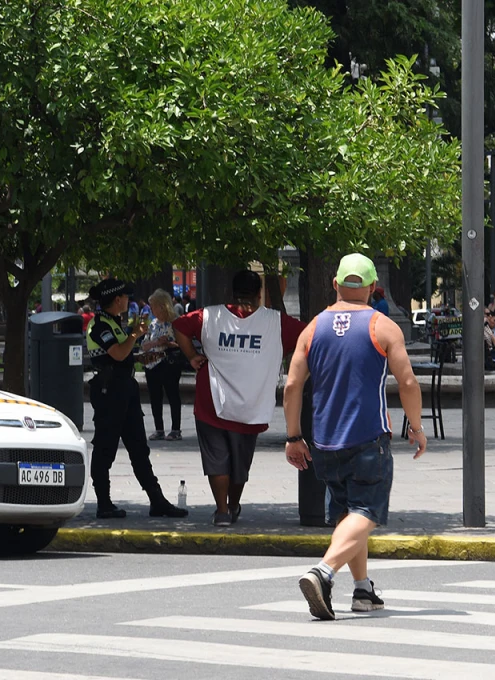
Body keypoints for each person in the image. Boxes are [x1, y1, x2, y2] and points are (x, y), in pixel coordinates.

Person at [286, 253, 427, 619]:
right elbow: (408, 382)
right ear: (372, 287)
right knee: (367, 511)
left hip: (325, 440)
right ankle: (324, 571)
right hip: (367, 437)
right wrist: (416, 425)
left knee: (346, 513)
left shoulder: (312, 328)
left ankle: (363, 589)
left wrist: (293, 437)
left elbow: (292, 386)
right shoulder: (382, 326)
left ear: (335, 284)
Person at [174, 270, 306, 526]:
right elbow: (308, 335)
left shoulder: (209, 315)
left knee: (216, 459)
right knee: (240, 461)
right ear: (260, 294)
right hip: (251, 403)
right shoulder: (275, 321)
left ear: (232, 292)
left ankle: (222, 510)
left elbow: (179, 325)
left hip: (212, 399)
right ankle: (233, 506)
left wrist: (191, 355)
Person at [85, 278, 188, 519]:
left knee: (139, 448)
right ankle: (103, 503)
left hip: (124, 390)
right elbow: (119, 354)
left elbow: (123, 356)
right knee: (105, 448)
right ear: (117, 299)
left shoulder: (114, 323)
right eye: (125, 297)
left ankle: (157, 500)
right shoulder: (99, 326)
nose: (128, 301)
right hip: (108, 392)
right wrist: (135, 334)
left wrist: (140, 358)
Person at [142, 289, 184, 442]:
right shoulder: (153, 324)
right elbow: (144, 345)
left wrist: (168, 343)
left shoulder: (175, 322)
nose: (151, 309)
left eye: (153, 306)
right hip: (152, 363)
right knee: (155, 397)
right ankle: (159, 428)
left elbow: (181, 344)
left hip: (168, 362)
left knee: (173, 394)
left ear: (162, 306)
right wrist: (156, 342)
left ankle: (176, 429)